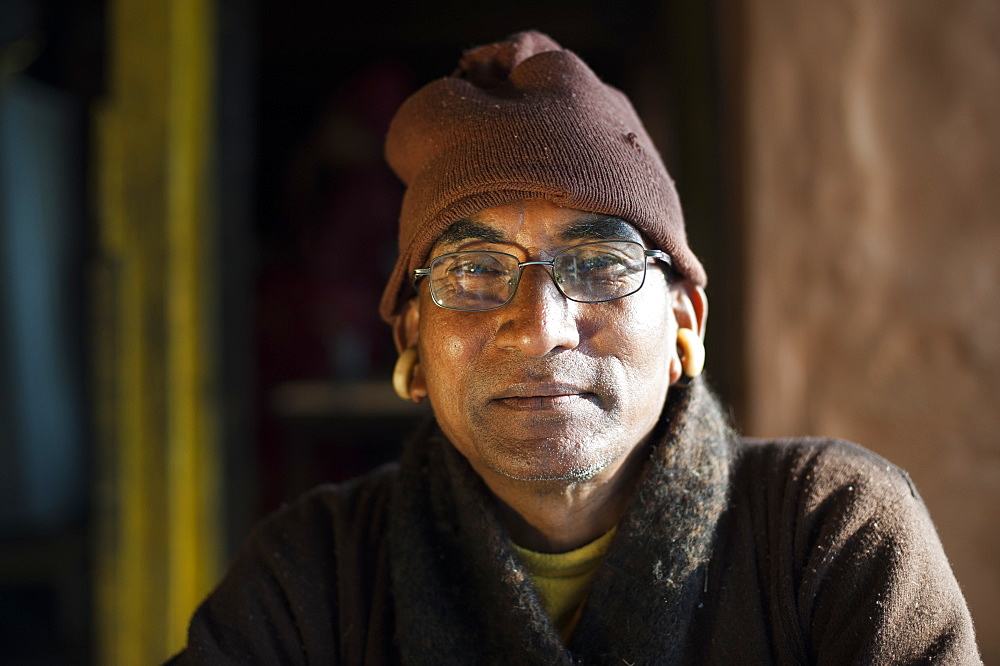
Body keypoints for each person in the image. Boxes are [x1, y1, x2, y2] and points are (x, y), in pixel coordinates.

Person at [169, 31, 980, 664]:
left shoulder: (827, 533)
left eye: (599, 266)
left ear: (685, 326)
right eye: (476, 270)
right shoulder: (317, 574)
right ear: (412, 341)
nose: (542, 325)